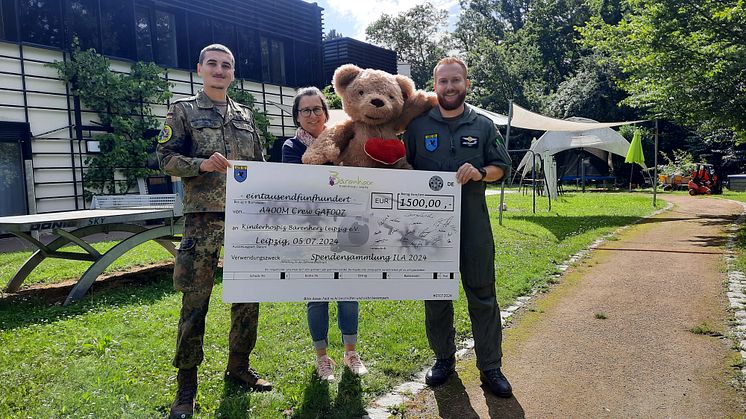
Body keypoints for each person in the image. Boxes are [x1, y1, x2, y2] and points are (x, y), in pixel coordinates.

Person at [157, 44, 271, 418]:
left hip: (246, 217)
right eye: (213, 64)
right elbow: (165, 159)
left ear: (233, 73)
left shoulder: (246, 115)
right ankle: (186, 385)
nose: (219, 70)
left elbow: (261, 165)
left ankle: (239, 365)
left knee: (248, 297)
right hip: (203, 220)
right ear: (200, 69)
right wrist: (201, 164)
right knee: (195, 301)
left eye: (226, 66)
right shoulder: (183, 111)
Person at [403, 57, 513, 398]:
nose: (449, 87)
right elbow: (400, 167)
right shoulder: (417, 127)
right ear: (434, 85)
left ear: (466, 83)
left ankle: (491, 367)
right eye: (443, 82)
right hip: (429, 231)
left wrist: (480, 172)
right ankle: (443, 360)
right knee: (435, 296)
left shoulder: (482, 125)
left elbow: (501, 166)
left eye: (456, 81)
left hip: (474, 227)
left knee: (482, 294)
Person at [281, 87, 368, 381]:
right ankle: (322, 359)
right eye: (305, 110)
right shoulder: (291, 148)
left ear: (325, 112)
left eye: (317, 109)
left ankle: (351, 353)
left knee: (349, 292)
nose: (312, 115)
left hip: (345, 228)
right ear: (297, 116)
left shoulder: (344, 139)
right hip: (312, 231)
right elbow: (298, 187)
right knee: (316, 297)